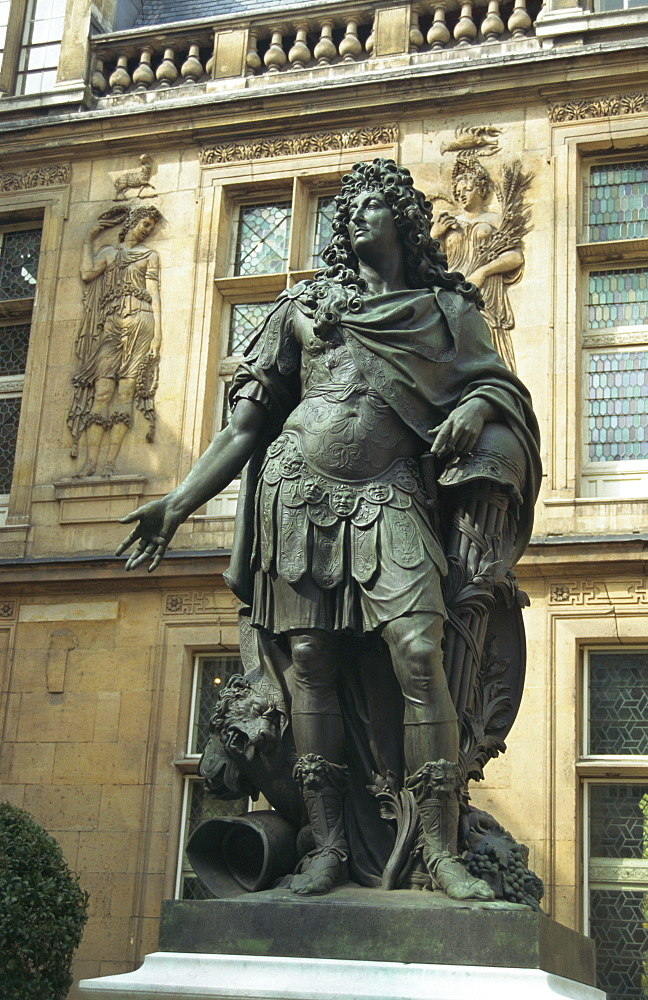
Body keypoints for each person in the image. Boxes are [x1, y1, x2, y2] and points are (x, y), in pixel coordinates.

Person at [117, 159, 540, 899]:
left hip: (391, 494)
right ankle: (330, 848)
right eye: (348, 209)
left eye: (373, 205)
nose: (355, 216)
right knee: (309, 659)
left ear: (405, 222)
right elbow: (245, 424)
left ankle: (439, 851)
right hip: (296, 494)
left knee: (419, 649)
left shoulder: (446, 313)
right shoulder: (301, 306)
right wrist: (176, 503)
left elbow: (501, 392)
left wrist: (477, 408)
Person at [68, 205, 162, 478]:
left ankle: (110, 463)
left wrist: (158, 334)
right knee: (103, 392)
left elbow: (154, 294)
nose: (148, 231)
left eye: (151, 227)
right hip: (111, 323)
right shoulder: (109, 253)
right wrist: (88, 239)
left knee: (126, 393)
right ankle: (90, 463)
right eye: (145, 224)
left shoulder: (150, 256)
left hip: (141, 321)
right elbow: (87, 273)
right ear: (132, 221)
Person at [433, 157, 526, 373]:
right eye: (459, 190)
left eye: (469, 188)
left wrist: (483, 272)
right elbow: (430, 264)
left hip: (484, 293)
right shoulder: (447, 223)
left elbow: (515, 257)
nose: (463, 194)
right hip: (451, 292)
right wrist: (435, 236)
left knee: (486, 341)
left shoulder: (494, 220)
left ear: (481, 190)